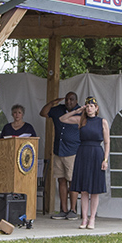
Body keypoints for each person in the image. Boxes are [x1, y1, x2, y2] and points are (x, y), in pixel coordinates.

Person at [60, 96, 110, 230]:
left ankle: (92, 218)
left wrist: (105, 159)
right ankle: (84, 218)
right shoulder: (81, 120)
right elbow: (62, 119)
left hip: (96, 153)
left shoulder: (102, 122)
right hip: (83, 152)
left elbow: (106, 142)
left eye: (92, 106)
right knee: (84, 189)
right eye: (87, 106)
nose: (89, 109)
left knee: (94, 189)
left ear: (96, 108)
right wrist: (78, 111)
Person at [40, 92, 81, 220]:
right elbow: (43, 113)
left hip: (73, 151)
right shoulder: (58, 110)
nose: (69, 102)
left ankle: (73, 210)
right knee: (61, 180)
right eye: (67, 99)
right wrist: (52, 103)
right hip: (58, 150)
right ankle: (63, 210)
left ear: (76, 101)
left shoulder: (81, 112)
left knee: (72, 181)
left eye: (72, 100)